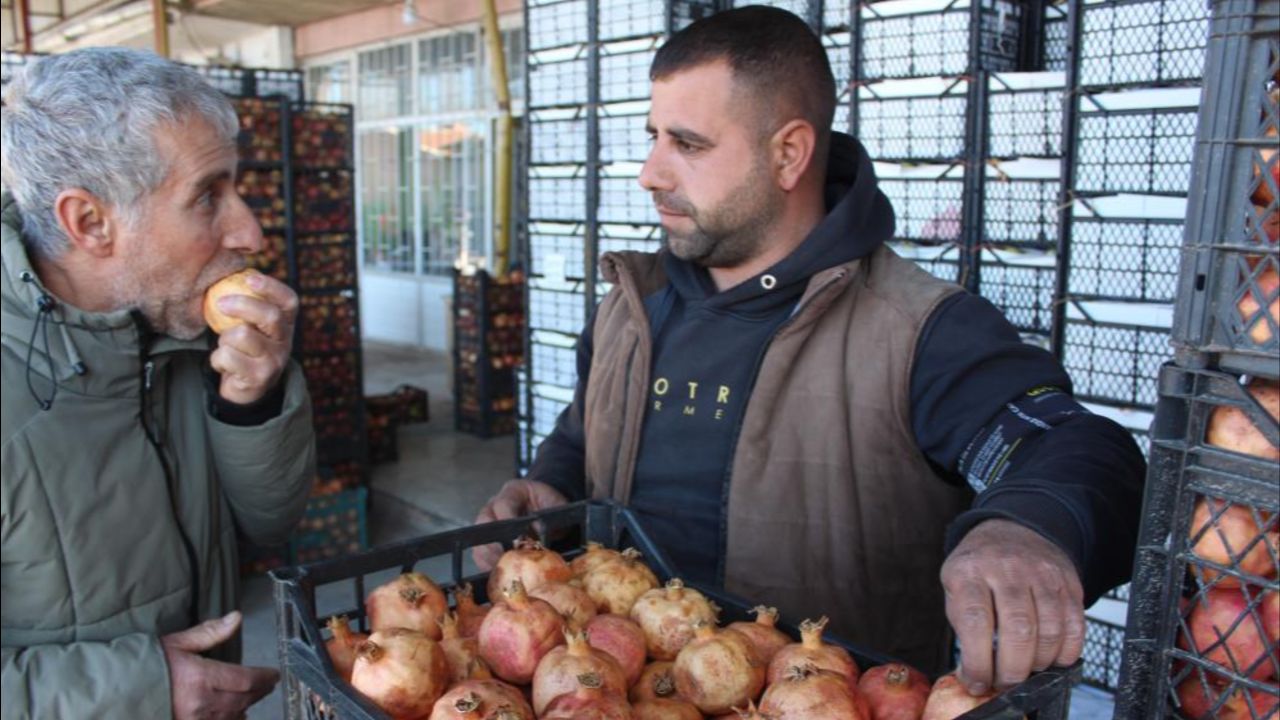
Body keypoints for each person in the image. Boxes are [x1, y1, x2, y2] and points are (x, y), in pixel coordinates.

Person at [476, 5, 1145, 693]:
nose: (650, 173)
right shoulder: (629, 307)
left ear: (789, 153)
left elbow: (1076, 447)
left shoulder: (919, 330)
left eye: (688, 144)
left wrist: (1028, 523)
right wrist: (549, 484)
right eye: (653, 137)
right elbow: (584, 435)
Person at [1, 48, 316, 718]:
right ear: (89, 223)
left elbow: (271, 521)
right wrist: (137, 691)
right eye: (207, 196)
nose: (250, 230)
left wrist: (252, 403)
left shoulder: (180, 335)